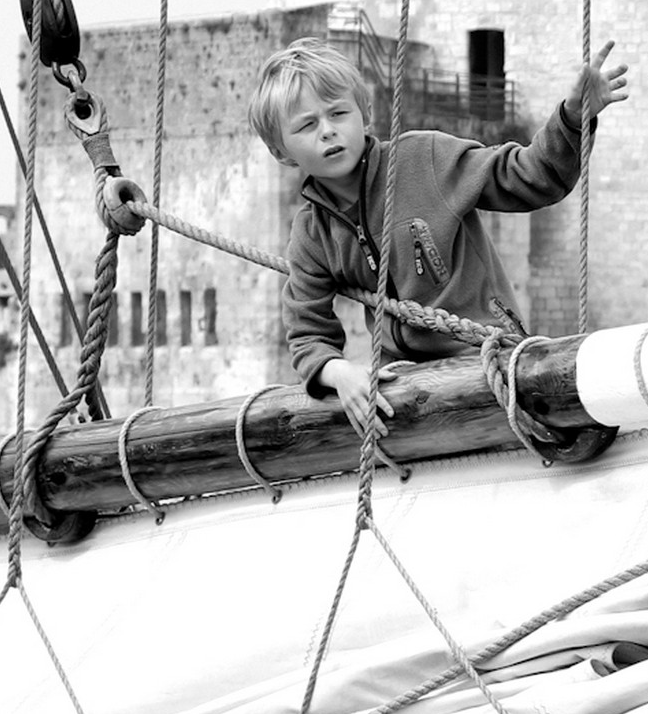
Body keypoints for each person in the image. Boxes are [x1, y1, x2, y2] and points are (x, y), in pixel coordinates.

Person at [248, 36, 628, 435]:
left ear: (366, 114)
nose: (328, 131)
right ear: (281, 152)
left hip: (486, 356)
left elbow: (532, 176)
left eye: (338, 113)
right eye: (307, 125)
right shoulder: (312, 234)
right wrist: (336, 370)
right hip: (405, 383)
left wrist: (571, 118)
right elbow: (306, 330)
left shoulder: (425, 159)